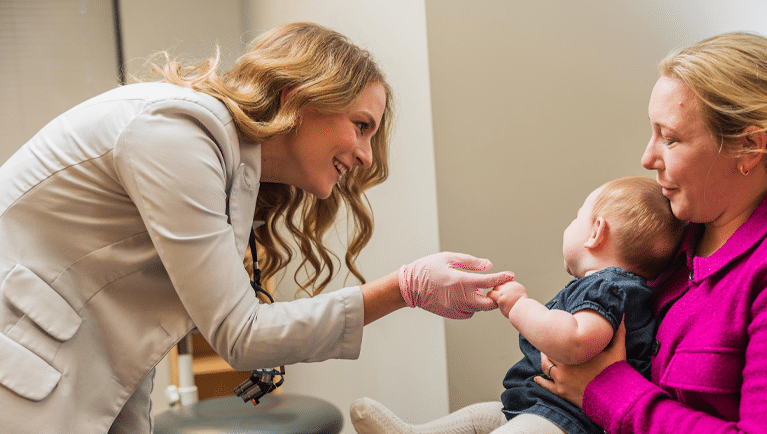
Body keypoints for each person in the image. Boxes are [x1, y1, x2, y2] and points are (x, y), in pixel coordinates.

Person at [0, 22, 513, 434]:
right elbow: (240, 335)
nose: (365, 155)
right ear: (298, 98)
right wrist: (407, 287)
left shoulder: (223, 161)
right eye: (362, 126)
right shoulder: (175, 135)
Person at [535, 32, 767, 433]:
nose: (647, 158)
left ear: (749, 148)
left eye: (671, 138)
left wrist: (607, 389)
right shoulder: (674, 239)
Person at [349, 176, 686, 434]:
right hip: (540, 410)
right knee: (483, 416)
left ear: (596, 232)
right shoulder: (610, 288)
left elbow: (577, 342)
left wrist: (521, 306)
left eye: (577, 215)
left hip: (564, 421)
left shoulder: (609, 287)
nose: (570, 223)